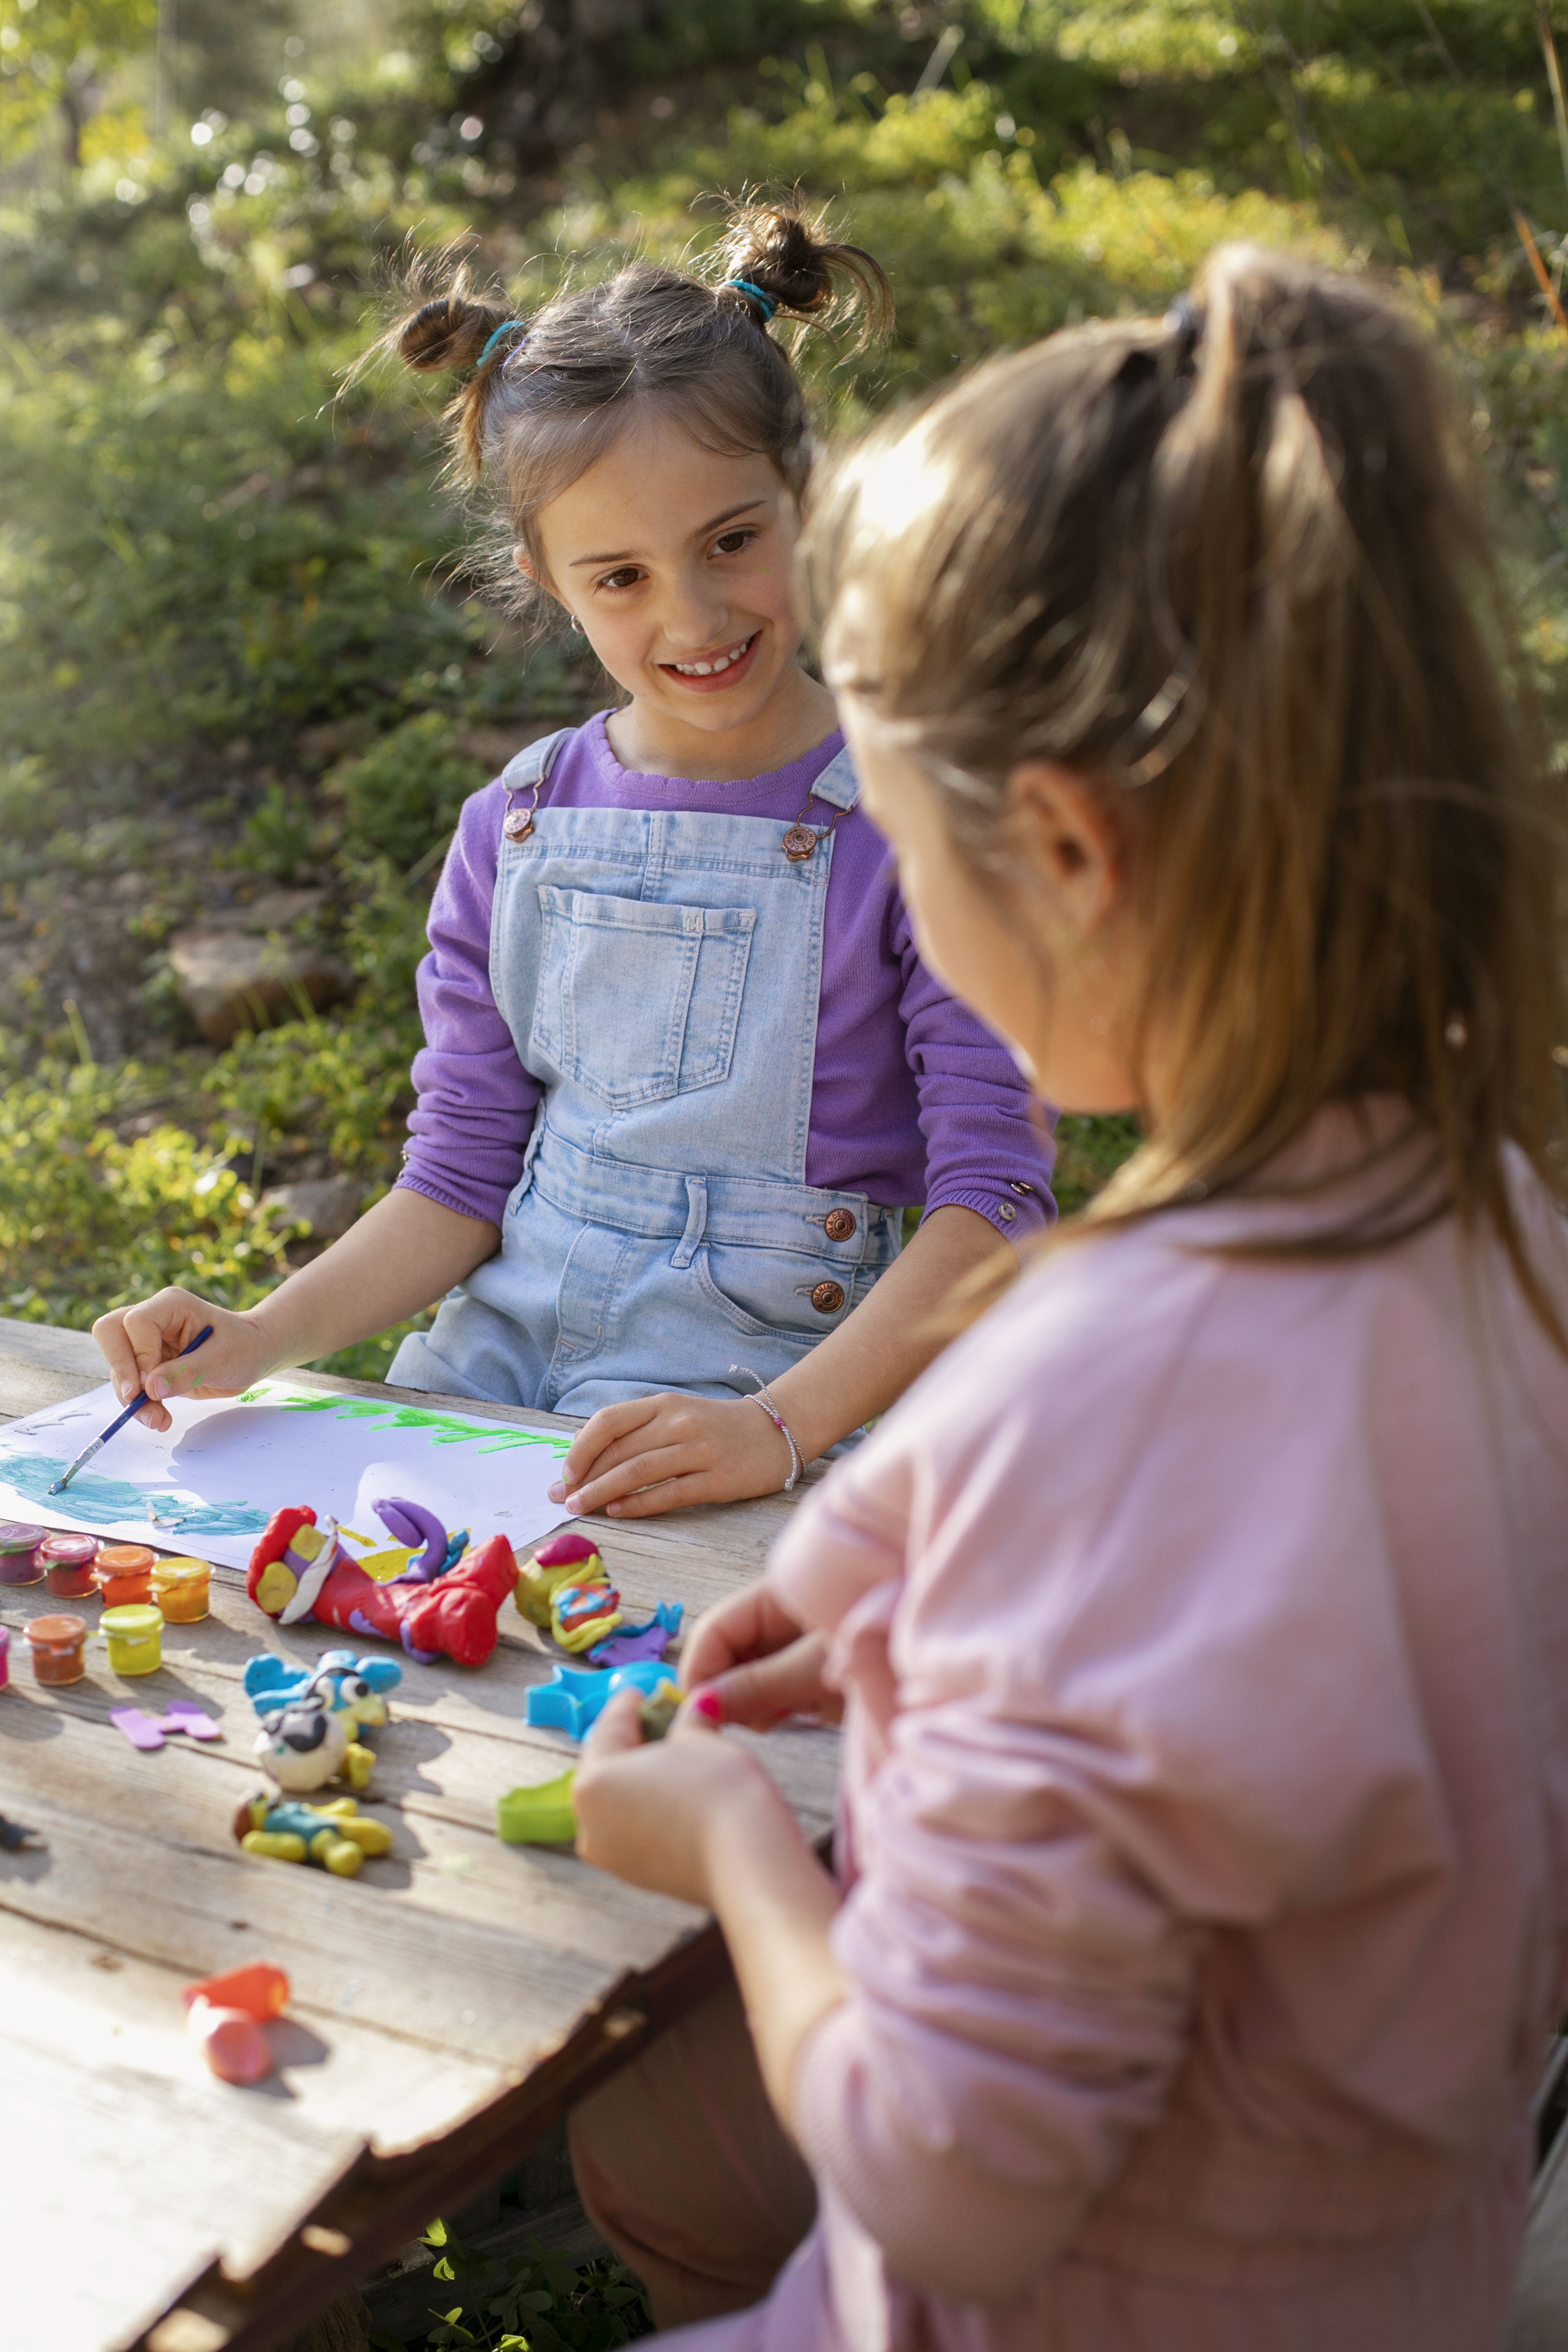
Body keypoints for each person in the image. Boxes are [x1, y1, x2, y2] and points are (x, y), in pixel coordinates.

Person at [564, 243, 1568, 2350]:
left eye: (901, 827)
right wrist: (913, 1624)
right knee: (661, 2165)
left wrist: (734, 1850)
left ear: (1069, 856)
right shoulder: (1492, 1224)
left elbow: (952, 2180)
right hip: (1398, 2279)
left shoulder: (1093, 1398)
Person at [91, 206, 1054, 1520]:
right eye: (620, 578)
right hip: (495, 1382)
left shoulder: (919, 819)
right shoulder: (517, 824)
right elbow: (457, 1179)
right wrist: (257, 1335)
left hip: (782, 1410)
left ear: (810, 497)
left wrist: (777, 1432)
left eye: (732, 541)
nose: (693, 616)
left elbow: (996, 1200)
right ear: (545, 576)